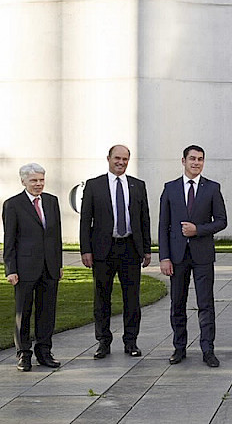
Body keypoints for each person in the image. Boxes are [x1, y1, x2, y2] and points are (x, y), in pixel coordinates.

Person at [80, 145, 152, 359]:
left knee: (132, 298)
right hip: (103, 250)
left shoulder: (137, 185)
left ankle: (131, 342)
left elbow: (144, 219)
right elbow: (85, 220)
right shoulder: (94, 185)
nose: (121, 162)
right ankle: (103, 342)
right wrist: (86, 250)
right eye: (117, 158)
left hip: (130, 248)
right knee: (102, 298)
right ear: (108, 158)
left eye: (125, 159)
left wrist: (146, 249)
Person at [158, 145, 227, 367]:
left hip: (202, 255)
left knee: (205, 304)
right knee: (177, 303)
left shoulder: (212, 188)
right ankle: (179, 348)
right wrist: (164, 257)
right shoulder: (170, 189)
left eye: (200, 159)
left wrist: (198, 229)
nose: (196, 163)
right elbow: (163, 226)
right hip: (177, 256)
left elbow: (221, 221)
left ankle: (208, 349)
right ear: (183, 161)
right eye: (192, 159)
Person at [3, 163, 63, 372]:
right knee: (24, 312)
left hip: (49, 267)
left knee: (47, 312)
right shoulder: (13, 204)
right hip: (24, 268)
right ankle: (24, 354)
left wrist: (59, 264)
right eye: (34, 181)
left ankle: (44, 352)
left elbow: (56, 237)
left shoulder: (52, 201)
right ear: (23, 181)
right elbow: (9, 239)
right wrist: (10, 269)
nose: (38, 184)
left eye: (41, 180)